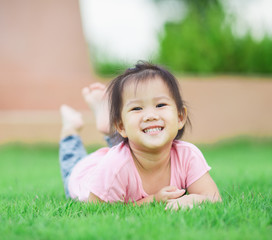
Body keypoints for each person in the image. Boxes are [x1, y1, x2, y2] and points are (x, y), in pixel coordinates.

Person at [59, 61, 221, 210]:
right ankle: (70, 126)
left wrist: (192, 200)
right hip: (86, 174)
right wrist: (154, 199)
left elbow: (213, 197)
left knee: (138, 137)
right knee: (72, 159)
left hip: (121, 159)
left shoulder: (187, 155)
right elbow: (95, 209)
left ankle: (105, 117)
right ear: (120, 126)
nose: (150, 115)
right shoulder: (114, 167)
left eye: (160, 105)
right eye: (137, 108)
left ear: (180, 117)